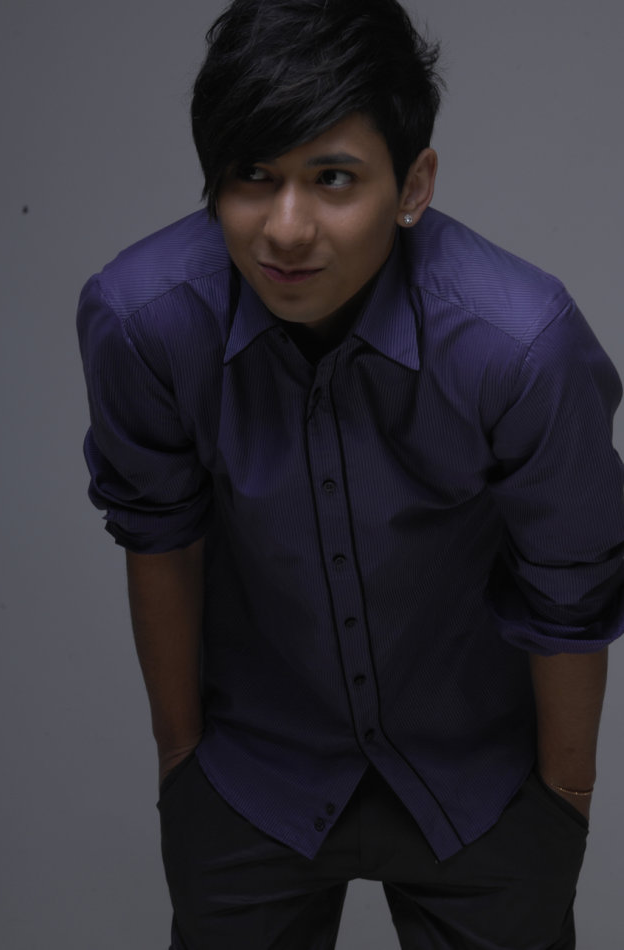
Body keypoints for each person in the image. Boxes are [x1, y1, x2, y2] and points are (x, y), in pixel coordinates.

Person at [76, 1, 624, 947]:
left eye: (333, 179)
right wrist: (182, 763)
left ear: (413, 185)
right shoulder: (143, 322)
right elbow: (158, 533)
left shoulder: (521, 346)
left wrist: (564, 805)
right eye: (253, 175)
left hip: (482, 786)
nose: (286, 229)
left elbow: (570, 590)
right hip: (252, 775)